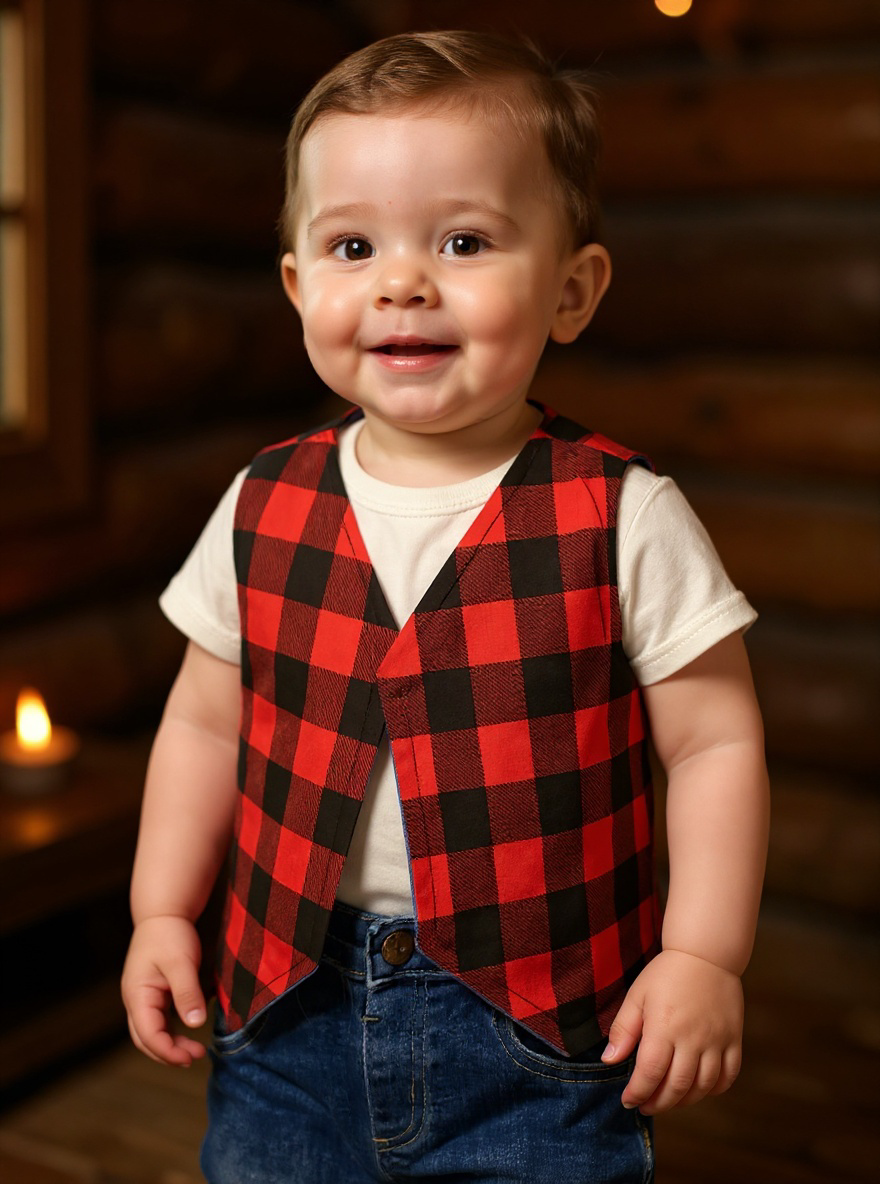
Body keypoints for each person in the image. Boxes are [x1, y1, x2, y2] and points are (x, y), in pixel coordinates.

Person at [121, 30, 770, 1183]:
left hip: (540, 1035)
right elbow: (205, 723)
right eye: (352, 244)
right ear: (298, 286)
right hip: (286, 1007)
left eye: (463, 240)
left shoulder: (623, 514)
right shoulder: (261, 498)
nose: (401, 280)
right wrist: (162, 907)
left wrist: (704, 954)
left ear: (571, 289)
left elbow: (714, 740)